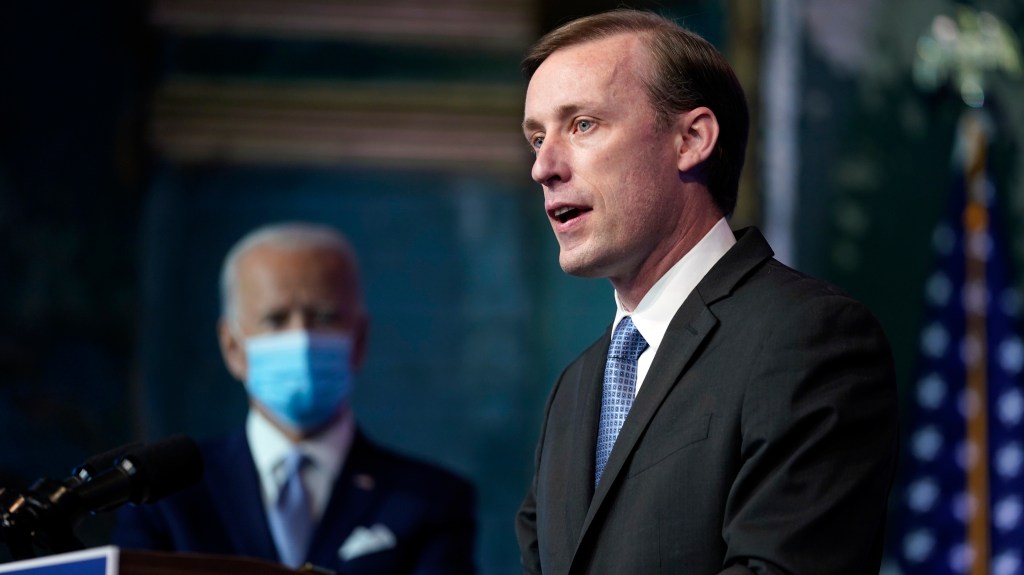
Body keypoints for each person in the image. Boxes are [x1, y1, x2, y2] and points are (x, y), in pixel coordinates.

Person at [515, 9, 898, 574]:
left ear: (691, 139)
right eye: (537, 138)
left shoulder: (809, 339)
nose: (543, 167)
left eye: (583, 125)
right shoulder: (573, 391)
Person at [113, 222, 477, 575]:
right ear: (233, 347)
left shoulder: (431, 501)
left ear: (359, 341)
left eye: (325, 317)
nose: (301, 337)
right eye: (275, 319)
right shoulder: (162, 496)